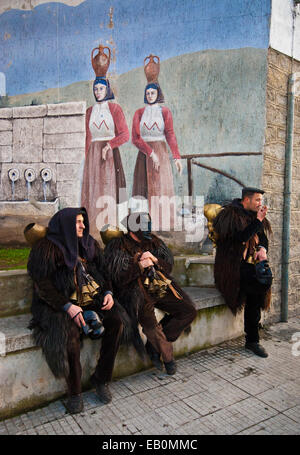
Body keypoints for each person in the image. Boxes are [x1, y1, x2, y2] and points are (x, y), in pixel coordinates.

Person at [27, 207, 130, 414]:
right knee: (70, 334)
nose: (83, 225)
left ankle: (101, 379)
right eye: (78, 222)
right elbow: (42, 286)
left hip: (90, 298)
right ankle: (74, 392)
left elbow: (104, 271)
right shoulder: (46, 248)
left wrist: (108, 292)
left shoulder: (89, 245)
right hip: (57, 303)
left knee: (116, 322)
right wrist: (67, 306)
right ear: (65, 225)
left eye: (83, 221)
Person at [103, 212, 197, 374]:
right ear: (133, 228)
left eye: (149, 224)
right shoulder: (118, 245)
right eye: (144, 225)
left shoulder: (154, 242)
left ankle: (153, 346)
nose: (148, 228)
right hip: (134, 292)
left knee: (188, 310)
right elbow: (117, 277)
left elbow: (168, 265)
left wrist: (154, 260)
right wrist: (139, 265)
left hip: (159, 287)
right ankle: (168, 358)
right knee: (149, 321)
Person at [213, 187, 273, 357]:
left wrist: (262, 248)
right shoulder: (228, 216)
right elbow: (240, 238)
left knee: (259, 292)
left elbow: (263, 238)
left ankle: (252, 341)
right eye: (257, 200)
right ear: (246, 200)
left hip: (251, 265)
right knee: (253, 290)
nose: (260, 204)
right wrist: (258, 220)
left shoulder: (256, 217)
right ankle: (253, 339)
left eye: (261, 200)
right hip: (233, 267)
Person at [81, 77, 129, 237]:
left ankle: (112, 231)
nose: (98, 92)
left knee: (109, 191)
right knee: (93, 193)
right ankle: (92, 232)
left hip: (110, 157)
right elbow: (87, 138)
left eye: (101, 89)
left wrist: (109, 145)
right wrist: (85, 157)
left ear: (107, 90)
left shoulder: (114, 109)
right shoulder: (89, 111)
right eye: (95, 89)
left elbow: (125, 134)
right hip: (93, 157)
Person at [131, 82, 182, 230]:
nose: (150, 96)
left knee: (160, 189)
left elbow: (170, 135)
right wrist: (150, 153)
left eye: (153, 93)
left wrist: (177, 157)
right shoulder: (139, 113)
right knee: (142, 189)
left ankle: (162, 226)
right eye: (147, 93)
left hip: (161, 152)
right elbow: (135, 138)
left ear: (158, 94)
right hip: (144, 155)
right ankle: (142, 227)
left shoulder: (164, 112)